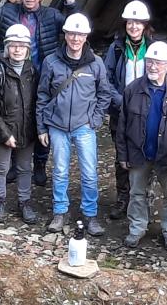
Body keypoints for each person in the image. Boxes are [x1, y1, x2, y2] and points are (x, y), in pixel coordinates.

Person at [0, 0, 78, 187]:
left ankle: (39, 164)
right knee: (12, 117)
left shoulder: (51, 15)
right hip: (12, 76)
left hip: (42, 77)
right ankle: (14, 163)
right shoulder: (8, 11)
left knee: (40, 121)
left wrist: (70, 5)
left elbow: (72, 28)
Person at [36, 13, 115, 236]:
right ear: (65, 35)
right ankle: (60, 212)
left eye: (80, 34)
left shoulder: (96, 64)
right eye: (72, 33)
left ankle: (90, 215)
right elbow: (42, 95)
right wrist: (42, 126)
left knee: (89, 173)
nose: (75, 38)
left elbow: (104, 93)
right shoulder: (51, 61)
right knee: (60, 171)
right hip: (58, 125)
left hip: (84, 126)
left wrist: (95, 119)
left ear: (86, 36)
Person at [115, 41, 167, 251]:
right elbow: (122, 125)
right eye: (150, 61)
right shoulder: (132, 89)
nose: (153, 66)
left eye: (158, 63)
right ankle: (137, 228)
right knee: (137, 193)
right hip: (138, 153)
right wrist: (122, 155)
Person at [0, 24, 40, 224]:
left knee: (25, 167)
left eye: (22, 46)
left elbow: (37, 101)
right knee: (2, 167)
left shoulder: (32, 71)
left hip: (26, 129)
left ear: (28, 49)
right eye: (13, 45)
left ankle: (24, 201)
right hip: (3, 129)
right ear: (7, 47)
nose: (17, 49)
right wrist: (5, 133)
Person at [102, 0, 154, 219]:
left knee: (147, 153)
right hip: (121, 111)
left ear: (145, 24)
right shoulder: (116, 48)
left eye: (138, 22)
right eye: (130, 22)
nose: (133, 26)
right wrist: (120, 101)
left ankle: (142, 199)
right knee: (121, 154)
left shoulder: (153, 48)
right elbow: (106, 78)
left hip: (148, 110)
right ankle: (123, 199)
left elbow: (162, 78)